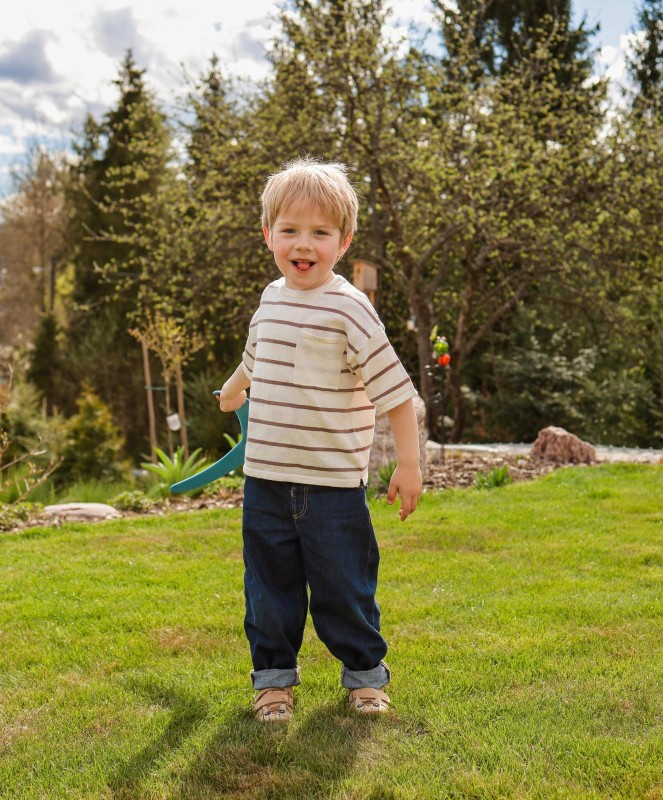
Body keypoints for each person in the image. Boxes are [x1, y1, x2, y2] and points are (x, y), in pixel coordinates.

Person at [218, 156, 422, 723]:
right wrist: (232, 391)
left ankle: (364, 678)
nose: (302, 244)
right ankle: (273, 683)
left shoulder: (350, 309)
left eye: (319, 233)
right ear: (268, 236)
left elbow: (396, 392)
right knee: (268, 591)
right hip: (265, 482)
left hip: (332, 486)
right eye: (289, 230)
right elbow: (255, 357)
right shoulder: (271, 299)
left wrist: (409, 464)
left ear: (343, 240)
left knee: (345, 589)